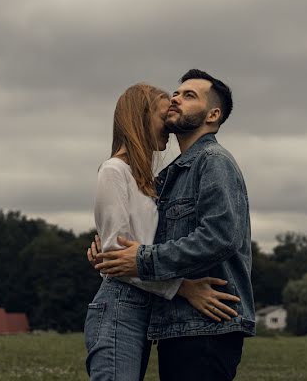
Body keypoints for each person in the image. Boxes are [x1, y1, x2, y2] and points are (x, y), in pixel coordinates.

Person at [94, 70, 255, 381]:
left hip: (208, 321)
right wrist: (107, 251)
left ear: (213, 115)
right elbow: (137, 236)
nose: (176, 99)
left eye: (189, 95)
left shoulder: (213, 161)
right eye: (177, 93)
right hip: (178, 324)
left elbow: (221, 237)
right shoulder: (171, 175)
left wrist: (139, 260)